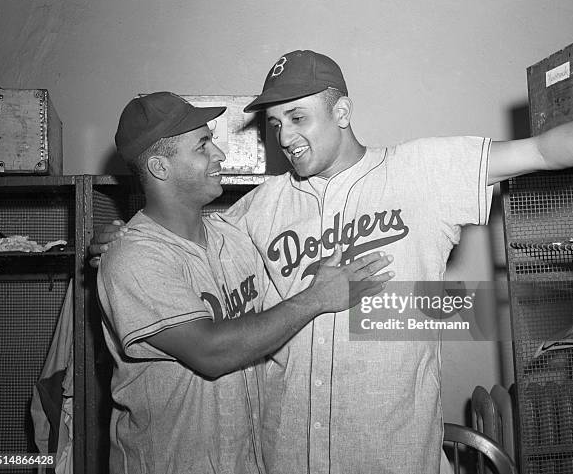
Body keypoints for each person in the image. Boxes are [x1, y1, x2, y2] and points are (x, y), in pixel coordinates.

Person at [92, 52, 573, 473]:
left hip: (392, 456)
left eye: (297, 117)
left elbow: (548, 151)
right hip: (284, 458)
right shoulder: (257, 210)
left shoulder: (420, 170)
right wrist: (117, 239)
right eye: (274, 124)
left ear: (342, 112)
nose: (284, 136)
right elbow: (173, 245)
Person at [96, 91, 393, 474]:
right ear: (159, 167)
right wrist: (316, 298)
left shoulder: (230, 235)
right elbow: (211, 352)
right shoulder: (134, 257)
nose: (219, 154)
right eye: (203, 145)